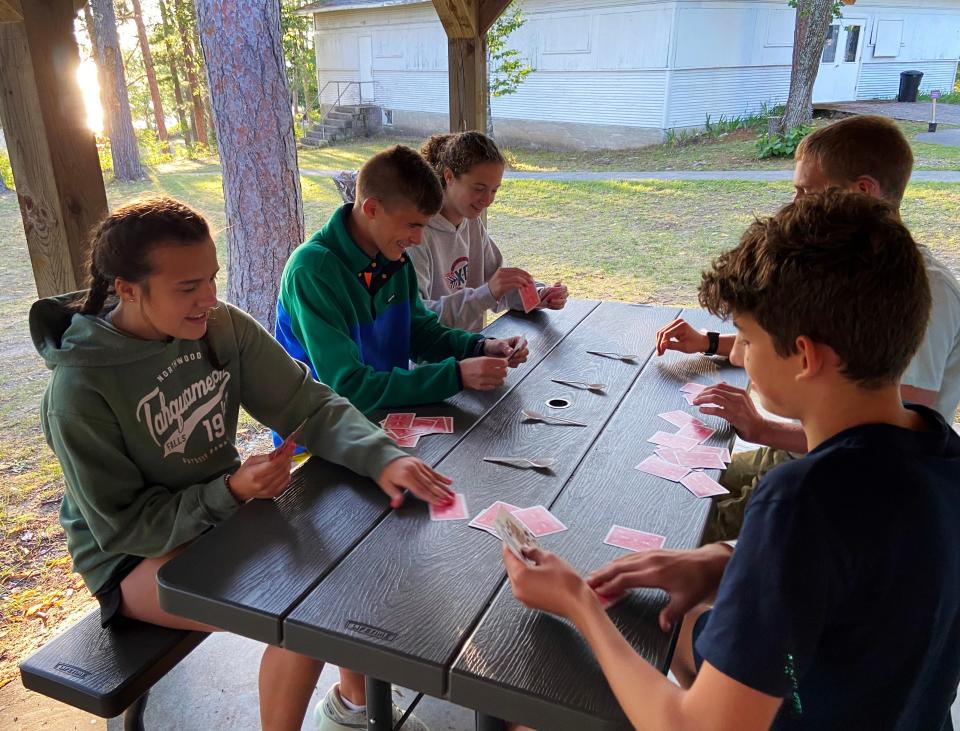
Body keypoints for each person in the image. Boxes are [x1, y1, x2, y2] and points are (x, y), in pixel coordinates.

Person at [503, 190, 960, 731]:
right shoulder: (941, 456)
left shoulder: (801, 500)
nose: (737, 355)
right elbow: (874, 562)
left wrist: (579, 602)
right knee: (678, 621)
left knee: (524, 704)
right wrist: (725, 557)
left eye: (746, 339)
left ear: (806, 357)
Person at [31, 196, 453, 731]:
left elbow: (310, 403)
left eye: (211, 277)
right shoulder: (78, 390)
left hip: (222, 515)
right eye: (187, 287)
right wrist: (228, 491)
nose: (209, 298)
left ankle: (351, 708)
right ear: (127, 289)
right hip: (129, 560)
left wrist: (383, 457)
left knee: (346, 560)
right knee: (303, 611)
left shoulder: (221, 327)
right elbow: (125, 528)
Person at [654, 115, 960, 540]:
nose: (793, 204)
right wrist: (710, 341)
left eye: (804, 191)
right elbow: (809, 342)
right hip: (801, 455)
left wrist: (763, 428)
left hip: (847, 483)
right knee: (673, 478)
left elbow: (887, 428)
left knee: (672, 525)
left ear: (862, 190)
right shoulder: (852, 267)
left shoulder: (920, 289)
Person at [275, 144, 529, 416]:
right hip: (314, 436)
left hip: (379, 417)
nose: (418, 239)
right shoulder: (313, 271)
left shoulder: (393, 256)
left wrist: (480, 347)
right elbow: (348, 387)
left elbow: (420, 334)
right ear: (372, 208)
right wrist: (455, 375)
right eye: (413, 225)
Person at [409, 131, 568, 332]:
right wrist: (487, 293)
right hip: (431, 362)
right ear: (449, 177)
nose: (487, 200)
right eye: (479, 188)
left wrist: (538, 294)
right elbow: (418, 318)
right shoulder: (415, 236)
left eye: (494, 190)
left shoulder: (472, 224)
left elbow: (497, 288)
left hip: (471, 352)